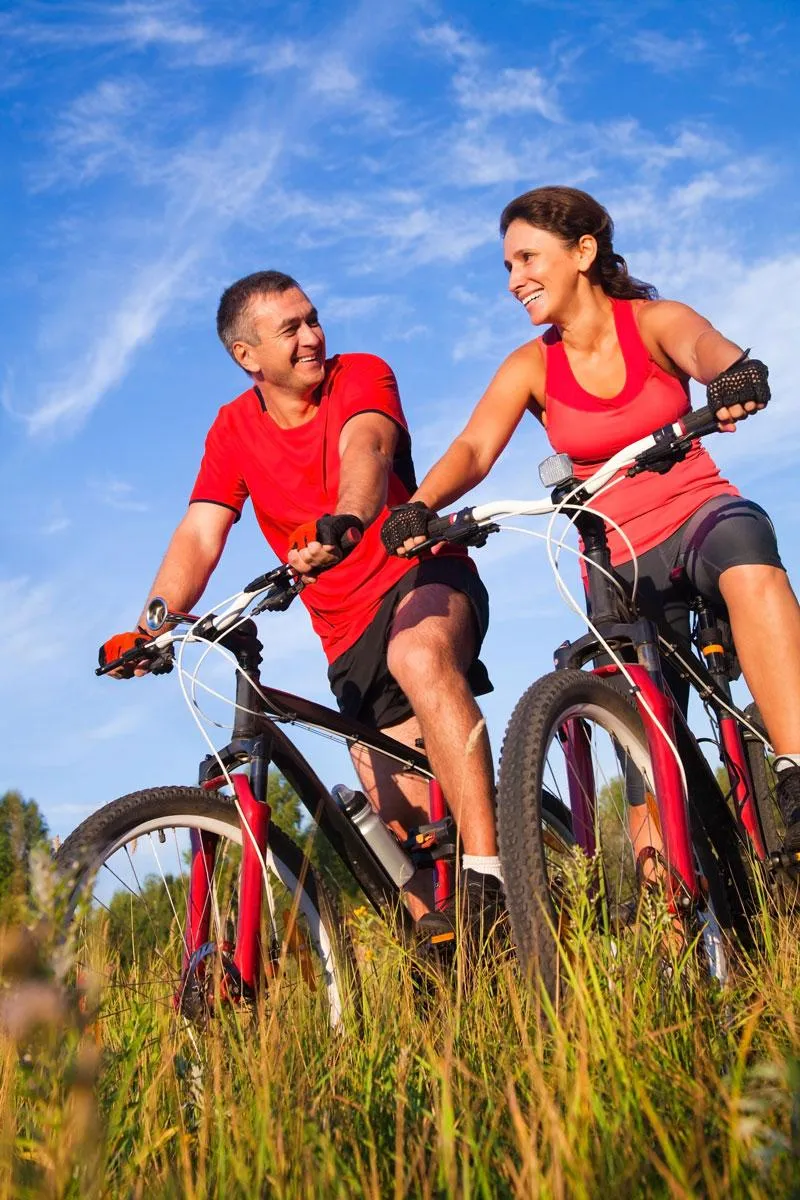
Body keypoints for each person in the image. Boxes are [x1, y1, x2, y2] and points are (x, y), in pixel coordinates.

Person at [381, 185, 800, 855]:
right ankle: (668, 902)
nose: (514, 280)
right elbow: (474, 448)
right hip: (616, 554)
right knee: (641, 755)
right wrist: (419, 506)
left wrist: (733, 376)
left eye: (527, 258)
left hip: (696, 511)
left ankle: (795, 769)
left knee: (747, 549)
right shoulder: (533, 365)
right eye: (508, 266)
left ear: (582, 252)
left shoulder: (653, 321)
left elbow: (705, 349)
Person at [99, 270, 503, 943]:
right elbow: (201, 531)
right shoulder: (233, 429)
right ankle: (466, 966)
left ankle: (493, 876)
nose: (313, 336)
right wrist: (152, 626)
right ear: (247, 355)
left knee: (417, 655)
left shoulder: (361, 374)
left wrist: (347, 520)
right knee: (406, 843)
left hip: (421, 578)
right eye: (291, 328)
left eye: (312, 319)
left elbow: (367, 448)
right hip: (346, 632)